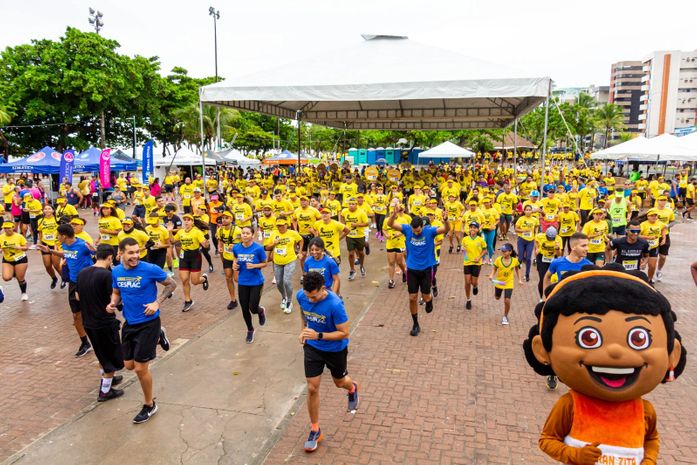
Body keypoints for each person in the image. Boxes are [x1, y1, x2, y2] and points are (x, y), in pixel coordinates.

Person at [523, 266, 685, 465]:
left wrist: (649, 459)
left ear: (672, 355)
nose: (615, 351)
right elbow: (547, 440)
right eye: (589, 338)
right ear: (542, 350)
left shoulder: (645, 411)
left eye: (638, 339)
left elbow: (651, 439)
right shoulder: (570, 405)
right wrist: (575, 455)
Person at [107, 237, 177, 424]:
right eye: (131, 253)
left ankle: (149, 404)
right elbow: (116, 292)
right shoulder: (117, 272)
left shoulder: (150, 269)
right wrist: (113, 302)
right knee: (128, 365)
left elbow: (172, 284)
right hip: (129, 324)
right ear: (120, 253)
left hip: (149, 323)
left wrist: (157, 302)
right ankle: (159, 336)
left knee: (139, 368)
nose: (135, 256)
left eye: (137, 252)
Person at [297, 271, 359, 453]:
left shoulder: (335, 304)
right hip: (313, 347)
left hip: (335, 349)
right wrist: (303, 331)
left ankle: (352, 387)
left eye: (314, 296)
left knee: (340, 382)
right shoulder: (302, 296)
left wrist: (319, 335)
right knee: (312, 387)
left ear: (323, 289)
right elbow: (303, 313)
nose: (311, 300)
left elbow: (345, 333)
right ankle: (315, 429)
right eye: (308, 296)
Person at [386, 205, 449, 336]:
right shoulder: (407, 229)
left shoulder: (430, 231)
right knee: (412, 297)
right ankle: (415, 323)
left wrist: (446, 220)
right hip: (412, 270)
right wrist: (394, 214)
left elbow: (445, 229)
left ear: (422, 227)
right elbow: (390, 224)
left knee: (426, 296)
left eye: (418, 231)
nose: (416, 233)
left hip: (426, 269)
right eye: (414, 231)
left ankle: (429, 300)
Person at [76, 245, 126, 402]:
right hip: (104, 323)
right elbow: (115, 300)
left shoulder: (83, 272)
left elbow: (77, 296)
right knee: (111, 357)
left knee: (101, 353)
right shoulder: (107, 275)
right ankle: (105, 391)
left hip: (88, 322)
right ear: (110, 258)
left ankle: (108, 379)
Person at [38, 224, 96, 357]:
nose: (56, 237)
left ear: (64, 235)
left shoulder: (82, 245)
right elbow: (66, 254)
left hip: (87, 282)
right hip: (73, 282)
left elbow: (99, 254)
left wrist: (95, 250)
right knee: (76, 315)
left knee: (91, 313)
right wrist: (50, 250)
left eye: (58, 235)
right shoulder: (64, 245)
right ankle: (85, 343)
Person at [232, 225, 268, 344]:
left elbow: (264, 263)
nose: (245, 235)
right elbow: (235, 259)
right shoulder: (236, 248)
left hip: (256, 282)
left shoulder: (258, 248)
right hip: (243, 281)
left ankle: (260, 311)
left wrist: (254, 266)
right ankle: (250, 329)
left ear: (252, 235)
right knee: (244, 308)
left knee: (253, 308)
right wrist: (234, 265)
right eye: (243, 233)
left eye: (247, 233)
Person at [168, 213, 209, 312]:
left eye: (188, 219)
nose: (186, 221)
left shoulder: (197, 232)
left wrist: (206, 243)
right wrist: (169, 231)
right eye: (185, 219)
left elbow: (205, 245)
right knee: (184, 280)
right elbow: (173, 241)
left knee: (194, 281)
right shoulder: (181, 231)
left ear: (192, 222)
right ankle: (188, 300)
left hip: (195, 256)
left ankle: (204, 279)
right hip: (184, 257)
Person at [266, 218, 302, 314]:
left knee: (286, 281)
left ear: (286, 225)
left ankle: (289, 301)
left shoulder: (292, 233)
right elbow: (267, 247)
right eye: (278, 226)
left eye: (282, 225)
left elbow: (300, 240)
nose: (280, 227)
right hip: (277, 261)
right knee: (278, 282)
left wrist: (300, 251)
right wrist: (274, 244)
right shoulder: (273, 234)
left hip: (290, 260)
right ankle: (284, 297)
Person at [488, 243, 523, 326]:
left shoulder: (514, 261)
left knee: (507, 300)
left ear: (510, 252)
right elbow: (494, 269)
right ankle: (498, 295)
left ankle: (505, 316)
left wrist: (520, 280)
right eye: (502, 251)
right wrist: (491, 275)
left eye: (505, 251)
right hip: (499, 282)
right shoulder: (498, 260)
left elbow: (517, 270)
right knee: (497, 297)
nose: (503, 252)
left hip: (509, 283)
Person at [340, 198, 370, 281]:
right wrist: (343, 225)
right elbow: (342, 217)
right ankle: (352, 270)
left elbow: (367, 223)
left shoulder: (361, 212)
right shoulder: (345, 211)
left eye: (353, 204)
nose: (351, 206)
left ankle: (362, 266)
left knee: (360, 252)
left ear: (356, 204)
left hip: (360, 235)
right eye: (350, 204)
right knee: (350, 253)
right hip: (349, 235)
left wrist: (357, 224)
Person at [383, 201, 410, 289]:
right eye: (391, 213)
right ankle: (391, 280)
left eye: (394, 212)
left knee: (399, 262)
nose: (392, 214)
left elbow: (407, 230)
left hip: (400, 243)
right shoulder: (386, 220)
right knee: (391, 262)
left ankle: (405, 272)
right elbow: (384, 229)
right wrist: (386, 235)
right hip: (390, 243)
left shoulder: (403, 220)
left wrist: (400, 233)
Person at [0, 220, 29, 301]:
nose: (6, 230)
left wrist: (19, 247)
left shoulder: (19, 236)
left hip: (20, 259)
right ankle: (13, 272)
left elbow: (26, 247)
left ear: (13, 228)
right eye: (4, 228)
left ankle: (24, 293)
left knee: (20, 278)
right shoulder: (1, 237)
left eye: (8, 228)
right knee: (6, 278)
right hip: (7, 259)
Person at [461, 221, 487, 310]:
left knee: (473, 282)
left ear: (477, 229)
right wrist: (465, 256)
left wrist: (479, 257)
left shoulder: (480, 239)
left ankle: (475, 287)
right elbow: (463, 250)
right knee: (467, 282)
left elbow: (484, 250)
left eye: (475, 227)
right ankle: (468, 300)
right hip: (467, 263)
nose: (473, 229)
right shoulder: (465, 239)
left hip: (477, 263)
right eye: (471, 227)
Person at [36, 204, 62, 289]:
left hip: (55, 244)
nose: (47, 210)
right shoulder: (40, 220)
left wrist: (58, 243)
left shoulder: (57, 219)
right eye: (45, 209)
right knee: (47, 265)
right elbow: (40, 232)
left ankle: (64, 278)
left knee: (56, 265)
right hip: (45, 244)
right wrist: (40, 244)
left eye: (49, 209)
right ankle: (54, 278)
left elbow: (61, 232)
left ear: (53, 210)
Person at [534, 226, 562, 299]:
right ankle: (542, 297)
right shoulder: (540, 236)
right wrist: (537, 248)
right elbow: (536, 240)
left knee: (554, 278)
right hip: (542, 258)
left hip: (553, 259)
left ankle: (552, 295)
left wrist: (558, 249)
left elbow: (559, 255)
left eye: (552, 238)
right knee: (542, 278)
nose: (550, 239)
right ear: (546, 235)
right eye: (549, 238)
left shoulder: (558, 239)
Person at [639, 209, 667, 284]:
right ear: (648, 216)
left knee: (652, 266)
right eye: (652, 215)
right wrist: (648, 238)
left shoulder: (660, 223)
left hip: (654, 247)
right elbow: (637, 235)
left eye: (655, 215)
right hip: (643, 248)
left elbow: (664, 228)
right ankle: (636, 279)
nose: (654, 217)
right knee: (640, 265)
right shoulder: (643, 224)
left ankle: (649, 280)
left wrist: (664, 238)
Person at [515, 205, 539, 281]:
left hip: (530, 241)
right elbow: (516, 229)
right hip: (521, 240)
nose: (528, 211)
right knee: (520, 258)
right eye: (527, 210)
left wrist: (536, 235)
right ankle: (518, 271)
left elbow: (536, 228)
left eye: (529, 210)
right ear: (524, 211)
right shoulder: (521, 219)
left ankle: (527, 274)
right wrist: (523, 231)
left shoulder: (534, 220)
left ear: (532, 211)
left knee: (528, 258)